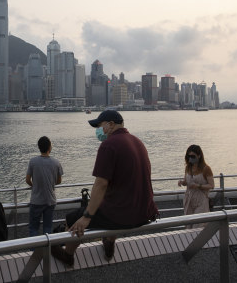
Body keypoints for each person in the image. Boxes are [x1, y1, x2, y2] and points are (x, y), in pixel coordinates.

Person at [50, 110, 159, 266]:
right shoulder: (137, 141)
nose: (98, 131)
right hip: (145, 211)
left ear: (111, 124)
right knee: (107, 203)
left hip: (123, 215)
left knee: (74, 219)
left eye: (99, 126)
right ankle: (109, 243)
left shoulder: (109, 145)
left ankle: (68, 255)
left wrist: (86, 217)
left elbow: (101, 184)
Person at [25, 136, 63, 237]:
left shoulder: (33, 161)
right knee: (47, 228)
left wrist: (35, 185)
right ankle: (47, 251)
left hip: (36, 201)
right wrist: (49, 183)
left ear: (39, 147)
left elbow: (27, 180)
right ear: (49, 147)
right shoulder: (56, 162)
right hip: (50, 201)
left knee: (33, 228)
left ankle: (34, 252)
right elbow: (59, 181)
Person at [177, 144, 214, 228]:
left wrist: (198, 186)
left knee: (198, 226)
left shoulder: (206, 169)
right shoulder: (188, 168)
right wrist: (181, 182)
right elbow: (186, 182)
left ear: (199, 156)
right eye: (188, 156)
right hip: (189, 199)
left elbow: (211, 185)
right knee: (188, 226)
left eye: (193, 156)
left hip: (201, 200)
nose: (190, 158)